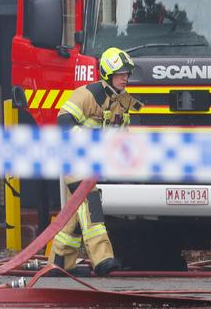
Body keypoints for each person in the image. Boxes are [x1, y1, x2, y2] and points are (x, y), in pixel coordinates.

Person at [48, 47, 142, 276]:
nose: (125, 78)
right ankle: (102, 258)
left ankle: (59, 261)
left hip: (94, 165)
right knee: (91, 203)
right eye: (121, 74)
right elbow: (63, 123)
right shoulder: (87, 94)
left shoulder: (124, 102)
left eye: (127, 74)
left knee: (73, 212)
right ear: (108, 75)